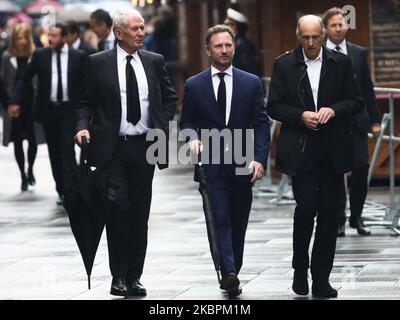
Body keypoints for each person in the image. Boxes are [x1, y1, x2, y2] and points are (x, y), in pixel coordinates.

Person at [75, 9, 177, 297]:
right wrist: (82, 127)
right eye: (134, 29)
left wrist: (162, 123)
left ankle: (134, 277)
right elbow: (84, 103)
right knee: (117, 210)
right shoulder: (97, 63)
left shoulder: (155, 61)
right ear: (119, 33)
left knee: (139, 214)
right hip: (113, 149)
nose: (141, 33)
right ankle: (117, 276)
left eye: (142, 28)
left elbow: (170, 97)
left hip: (146, 147)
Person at [267, 15, 364, 298]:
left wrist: (333, 110)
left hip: (333, 148)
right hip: (301, 148)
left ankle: (322, 277)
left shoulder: (340, 62)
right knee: (307, 207)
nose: (310, 43)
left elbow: (355, 101)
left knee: (330, 213)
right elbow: (274, 106)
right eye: (305, 38)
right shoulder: (284, 64)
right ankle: (300, 267)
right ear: (297, 36)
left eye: (315, 37)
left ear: (323, 36)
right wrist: (300, 116)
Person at [180, 24, 270, 297]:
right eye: (218, 46)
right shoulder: (195, 85)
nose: (224, 50)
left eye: (228, 45)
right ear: (208, 50)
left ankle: (233, 268)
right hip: (212, 165)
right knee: (220, 218)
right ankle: (229, 272)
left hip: (243, 163)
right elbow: (186, 122)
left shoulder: (250, 82)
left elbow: (261, 124)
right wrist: (192, 138)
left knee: (238, 220)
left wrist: (259, 159)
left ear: (234, 47)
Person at [8, 23, 86, 204]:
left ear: (65, 37)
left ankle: (71, 190)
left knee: (67, 149)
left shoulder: (78, 57)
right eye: (49, 35)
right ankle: (61, 188)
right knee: (54, 151)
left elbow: (87, 83)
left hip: (70, 110)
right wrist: (14, 101)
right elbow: (24, 78)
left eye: (55, 36)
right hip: (49, 111)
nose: (50, 39)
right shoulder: (41, 55)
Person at [322, 7, 381, 237]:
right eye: (334, 25)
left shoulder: (357, 53)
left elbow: (367, 88)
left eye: (342, 24)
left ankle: (357, 214)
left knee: (360, 167)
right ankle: (338, 218)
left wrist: (375, 120)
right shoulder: (320, 53)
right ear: (326, 29)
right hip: (332, 122)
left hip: (357, 121)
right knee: (336, 171)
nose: (339, 28)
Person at [1, 23, 37, 192]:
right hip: (13, 106)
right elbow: (2, 82)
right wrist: (8, 104)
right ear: (14, 39)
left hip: (32, 104)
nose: (22, 41)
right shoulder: (7, 57)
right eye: (18, 38)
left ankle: (30, 169)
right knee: (17, 142)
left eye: (24, 37)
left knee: (33, 140)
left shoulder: (35, 55)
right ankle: (22, 174)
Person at [224, 8, 262, 77]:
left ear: (239, 27)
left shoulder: (243, 44)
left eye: (231, 24)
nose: (227, 27)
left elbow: (250, 69)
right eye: (226, 24)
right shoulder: (232, 42)